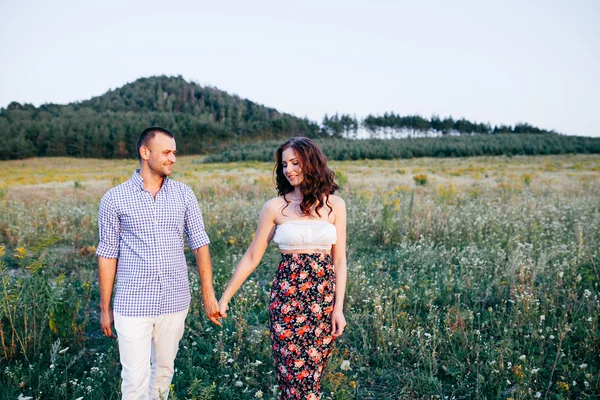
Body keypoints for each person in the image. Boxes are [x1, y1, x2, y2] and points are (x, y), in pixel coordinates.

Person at [96, 127, 222, 400]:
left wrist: (208, 294)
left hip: (174, 300)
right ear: (145, 153)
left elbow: (200, 243)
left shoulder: (184, 195)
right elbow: (107, 254)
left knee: (164, 372)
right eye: (166, 152)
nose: (173, 158)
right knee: (134, 380)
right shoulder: (114, 199)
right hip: (132, 302)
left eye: (174, 153)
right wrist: (105, 308)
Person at [218, 137, 347, 400]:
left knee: (311, 377)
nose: (288, 169)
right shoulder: (275, 207)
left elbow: (340, 261)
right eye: (284, 164)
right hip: (287, 302)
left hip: (322, 301)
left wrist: (339, 308)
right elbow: (253, 255)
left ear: (311, 163)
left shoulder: (335, 205)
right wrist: (225, 297)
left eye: (295, 163)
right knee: (292, 377)